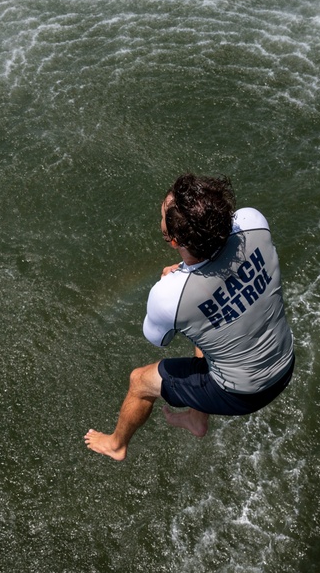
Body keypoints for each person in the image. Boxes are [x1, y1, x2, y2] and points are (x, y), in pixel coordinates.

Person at [84, 173, 295, 461]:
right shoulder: (253, 222)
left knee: (140, 381)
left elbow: (159, 339)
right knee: (208, 323)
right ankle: (197, 418)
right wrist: (187, 278)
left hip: (243, 394)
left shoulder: (169, 297)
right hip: (285, 362)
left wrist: (174, 285)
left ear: (173, 241)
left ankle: (116, 445)